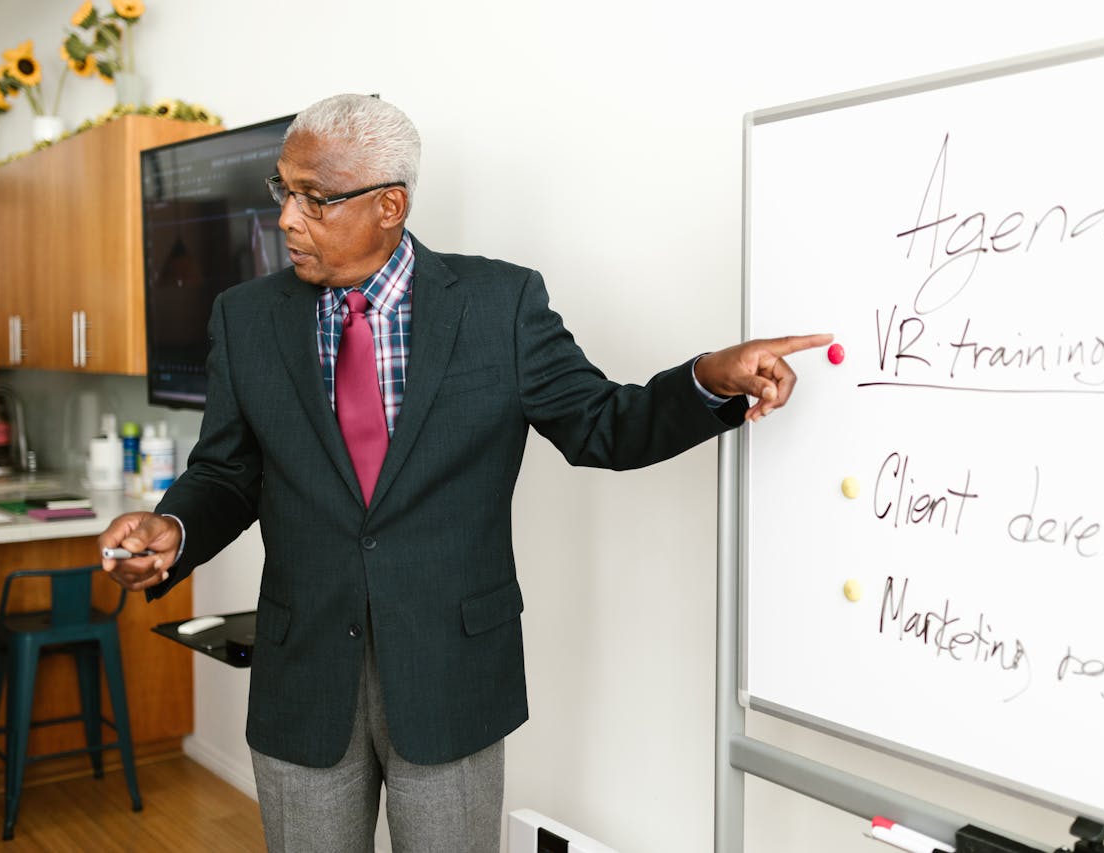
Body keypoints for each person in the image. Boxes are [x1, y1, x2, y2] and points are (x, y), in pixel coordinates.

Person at [99, 93, 829, 852]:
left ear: (390, 204)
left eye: (315, 199)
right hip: (303, 673)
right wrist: (173, 525)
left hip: (451, 670)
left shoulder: (499, 305)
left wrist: (708, 376)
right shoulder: (244, 317)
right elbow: (226, 471)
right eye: (283, 191)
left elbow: (605, 426)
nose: (287, 218)